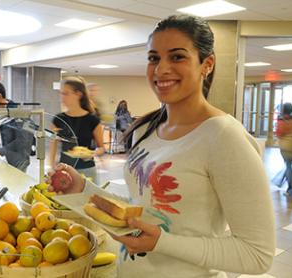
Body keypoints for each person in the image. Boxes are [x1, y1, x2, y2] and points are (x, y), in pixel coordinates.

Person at [48, 15, 275, 277]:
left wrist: (161, 242)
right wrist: (83, 189)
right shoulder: (146, 129)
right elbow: (142, 208)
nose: (161, 69)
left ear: (207, 64)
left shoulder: (225, 137)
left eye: (177, 57)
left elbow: (257, 254)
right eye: (154, 58)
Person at [49, 76, 105, 183]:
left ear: (78, 94)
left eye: (65, 93)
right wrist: (52, 167)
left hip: (87, 170)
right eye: (61, 93)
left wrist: (92, 154)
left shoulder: (92, 119)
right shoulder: (58, 119)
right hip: (64, 170)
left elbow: (101, 148)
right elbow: (53, 146)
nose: (62, 97)